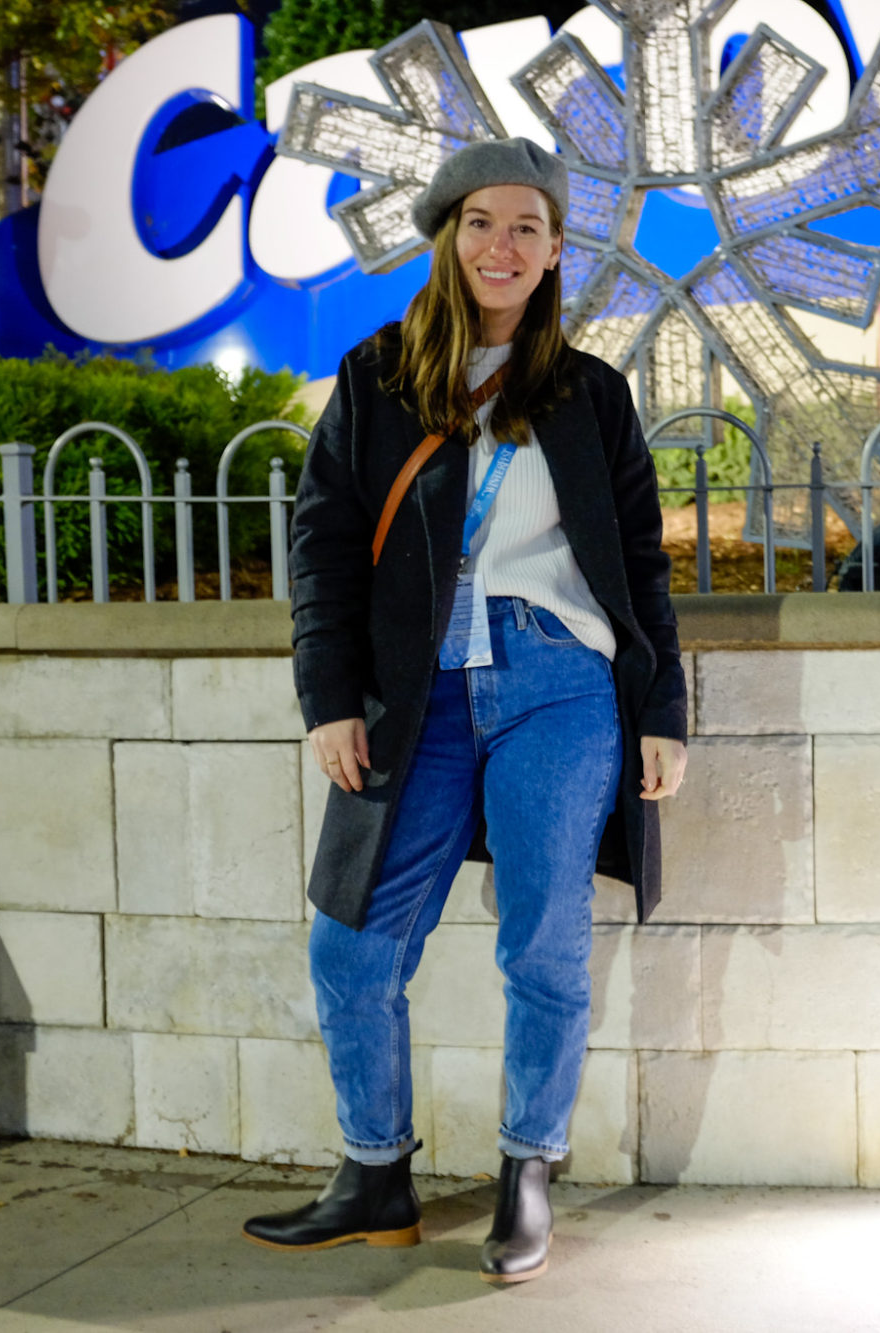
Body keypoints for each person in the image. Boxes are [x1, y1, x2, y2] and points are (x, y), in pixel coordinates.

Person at [243, 138, 689, 1285]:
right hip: (415, 691)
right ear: (448, 236)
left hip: (558, 685)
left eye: (529, 229)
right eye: (483, 223)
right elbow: (325, 545)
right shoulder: (378, 374)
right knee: (351, 943)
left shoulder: (588, 394)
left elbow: (638, 562)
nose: (505, 245)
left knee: (542, 943)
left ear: (550, 257)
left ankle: (527, 1170)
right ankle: (373, 1176)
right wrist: (327, 698)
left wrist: (661, 711)